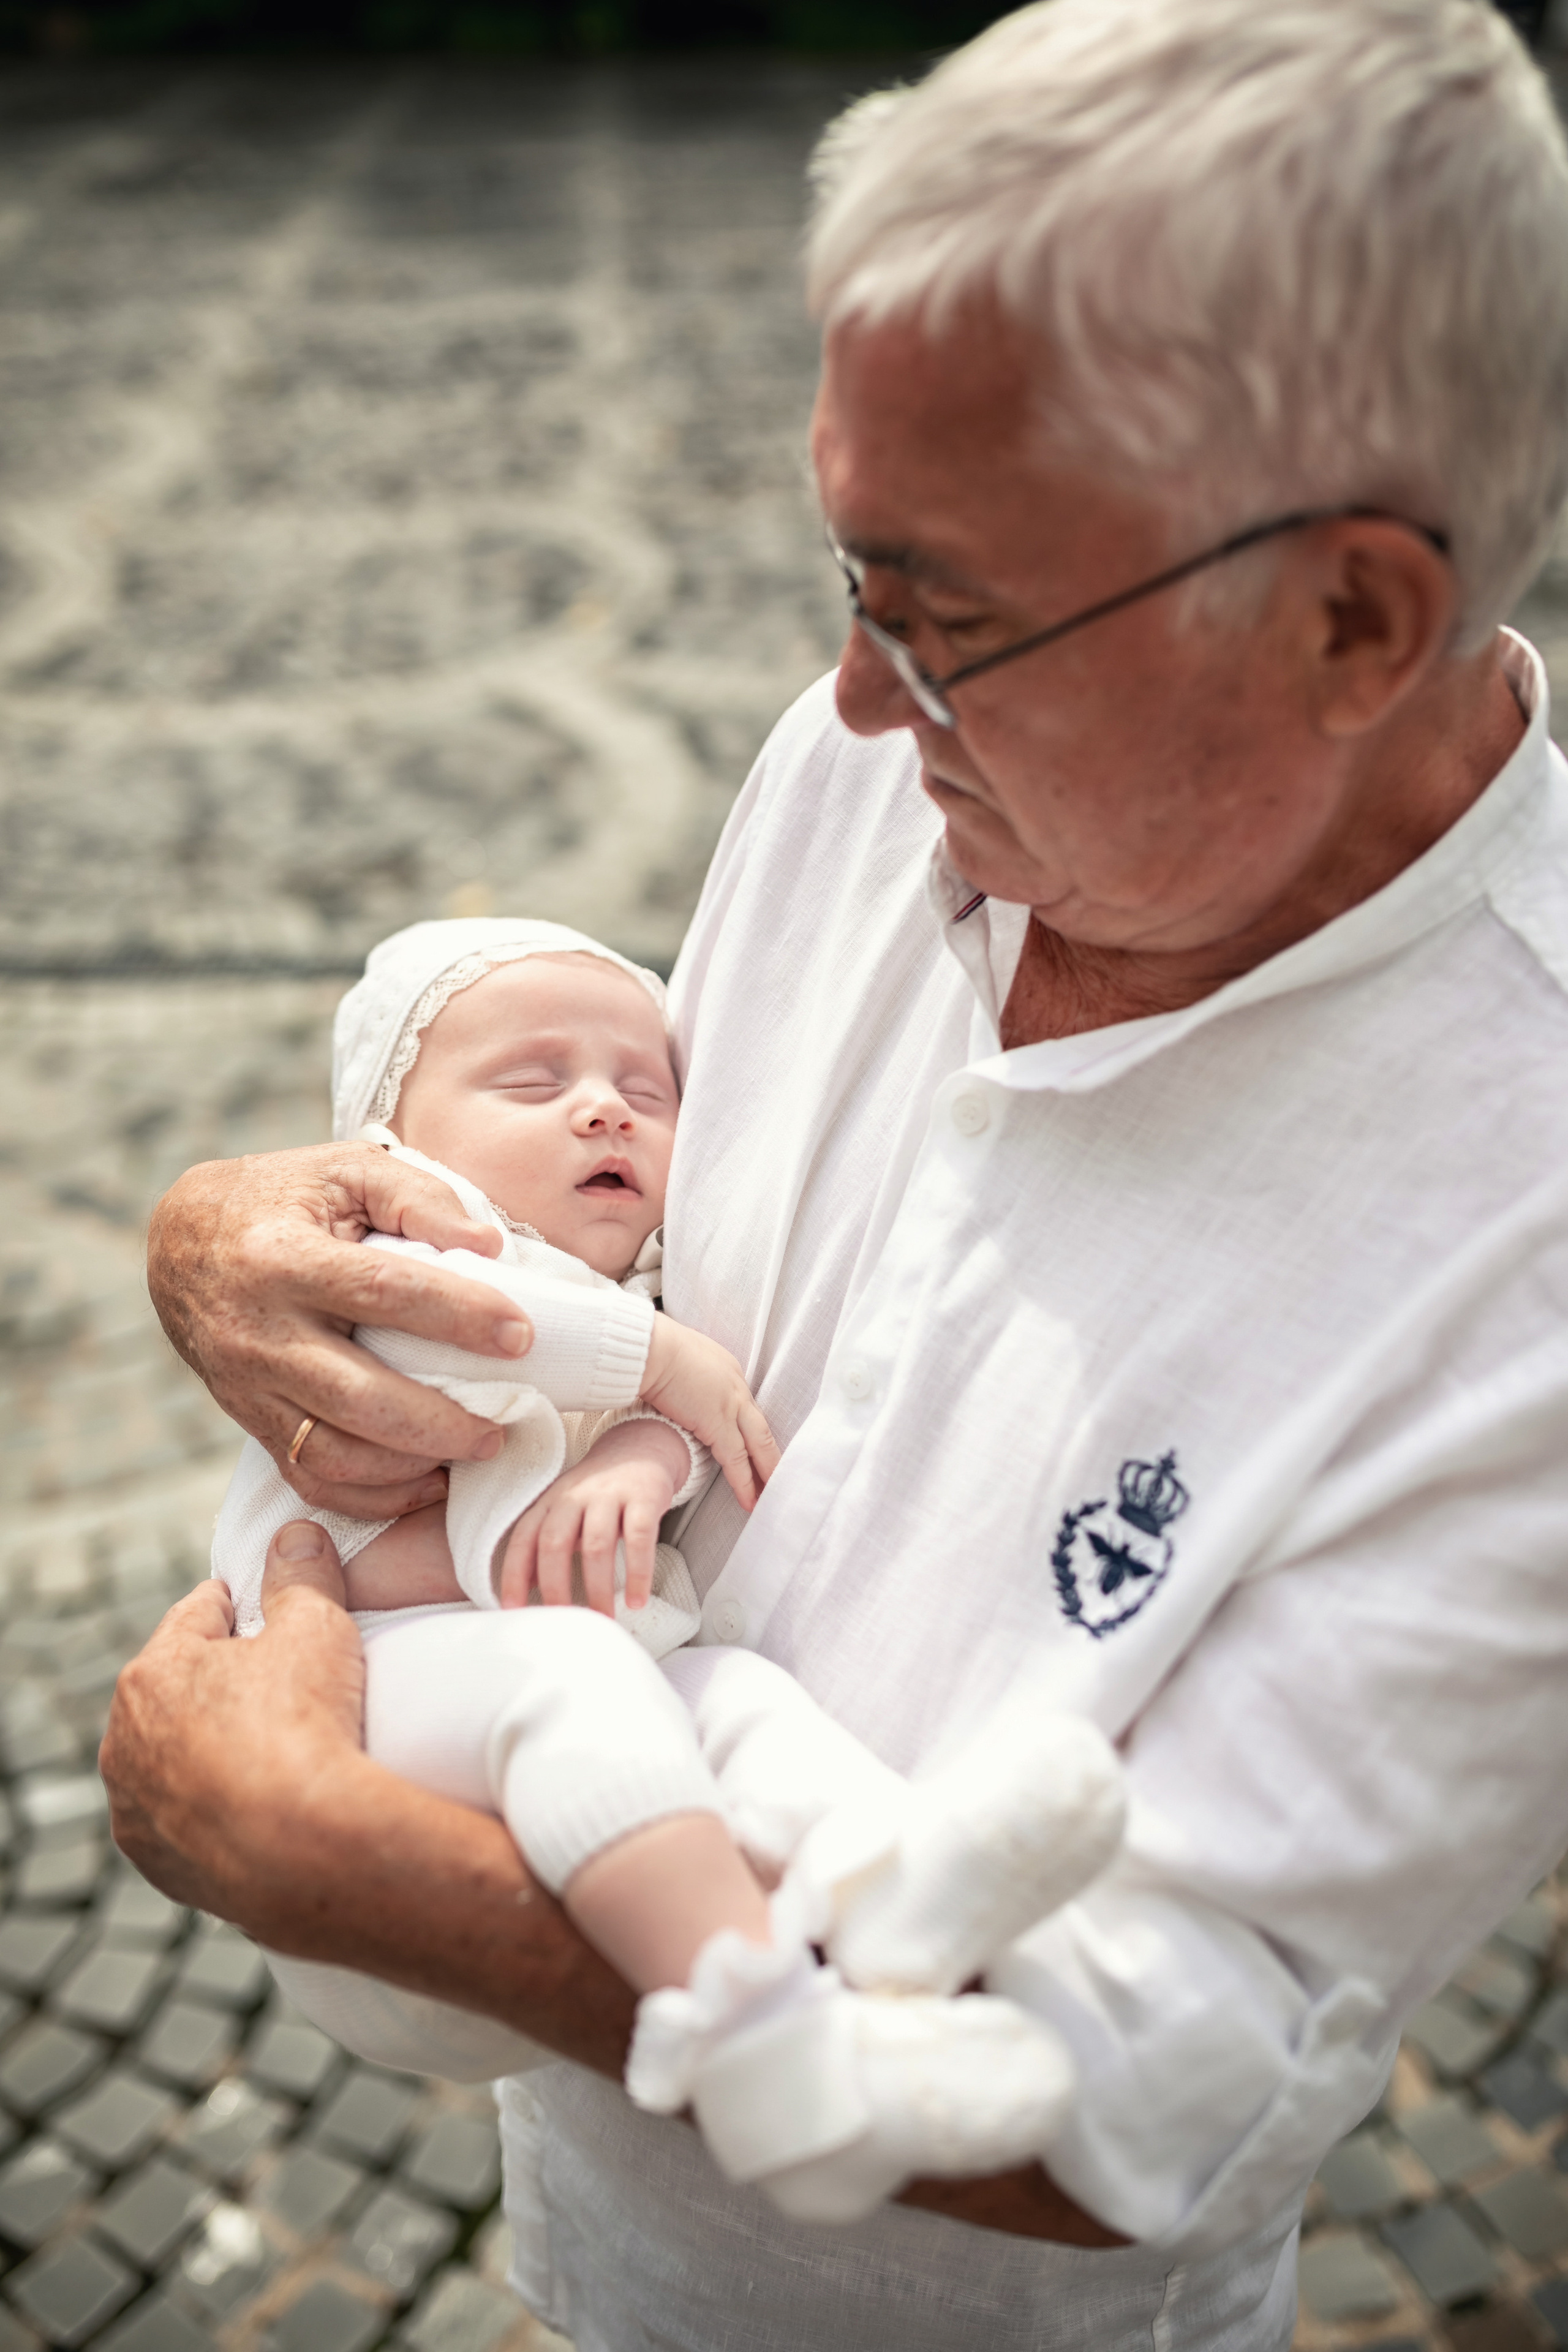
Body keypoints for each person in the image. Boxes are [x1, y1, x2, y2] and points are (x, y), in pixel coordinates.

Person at [102, 0, 1568, 2344]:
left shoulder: (1534, 1231)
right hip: (599, 2254)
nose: (857, 701)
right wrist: (237, 1241)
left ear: (1352, 618)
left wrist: (355, 1869)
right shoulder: (887, 754)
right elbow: (614, 1227)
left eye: (949, 615)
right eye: (850, 577)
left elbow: (1167, 2094)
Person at [216, 913, 1122, 2224]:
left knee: (742, 1702)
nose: (603, 1113)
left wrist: (640, 1458)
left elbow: (661, 1428)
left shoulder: (628, 1298)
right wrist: (655, 1373)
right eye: (533, 1083)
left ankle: (896, 1885)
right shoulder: (397, 1273)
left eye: (646, 1092)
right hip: (375, 1686)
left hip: (565, 1673)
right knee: (579, 1672)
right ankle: (747, 2041)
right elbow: (500, 1344)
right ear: (388, 1146)